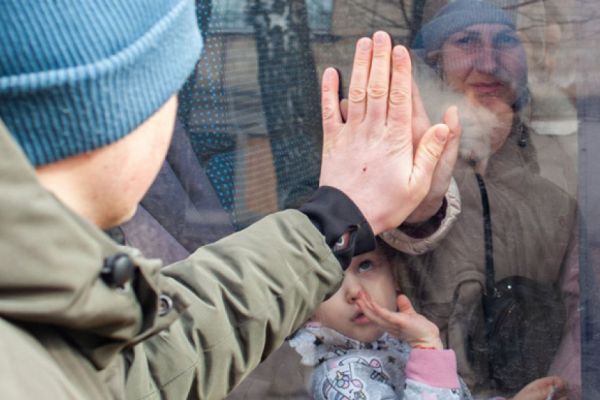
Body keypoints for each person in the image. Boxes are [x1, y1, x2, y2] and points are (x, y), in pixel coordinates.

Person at [0, 1, 458, 398]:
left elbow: (155, 361)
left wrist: (335, 218)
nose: (174, 131)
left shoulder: (39, 319)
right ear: (114, 112)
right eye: (167, 93)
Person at [380, 1, 580, 398]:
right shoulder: (399, 159)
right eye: (466, 41)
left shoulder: (566, 165)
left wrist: (561, 389)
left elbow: (584, 309)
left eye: (505, 41)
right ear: (435, 61)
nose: (489, 63)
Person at [289, 243, 472, 400]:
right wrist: (426, 348)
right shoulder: (343, 379)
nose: (355, 291)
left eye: (365, 265)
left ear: (395, 275)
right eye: (329, 281)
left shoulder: (399, 341)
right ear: (306, 308)